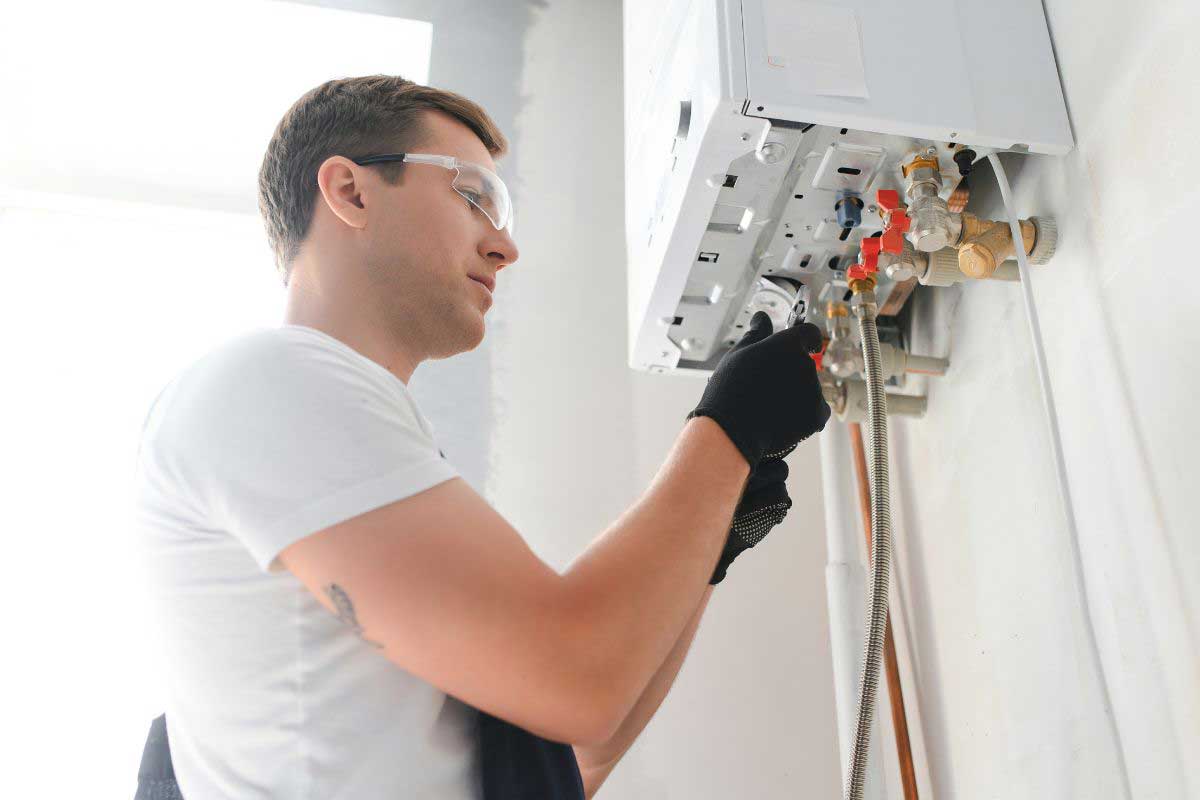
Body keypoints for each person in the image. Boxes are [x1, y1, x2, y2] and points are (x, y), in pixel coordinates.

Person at [132, 75, 830, 800]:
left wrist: (711, 538)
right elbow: (575, 683)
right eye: (475, 196)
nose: (505, 246)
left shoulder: (353, 442)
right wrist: (727, 430)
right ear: (351, 192)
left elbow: (577, 748)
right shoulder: (270, 382)